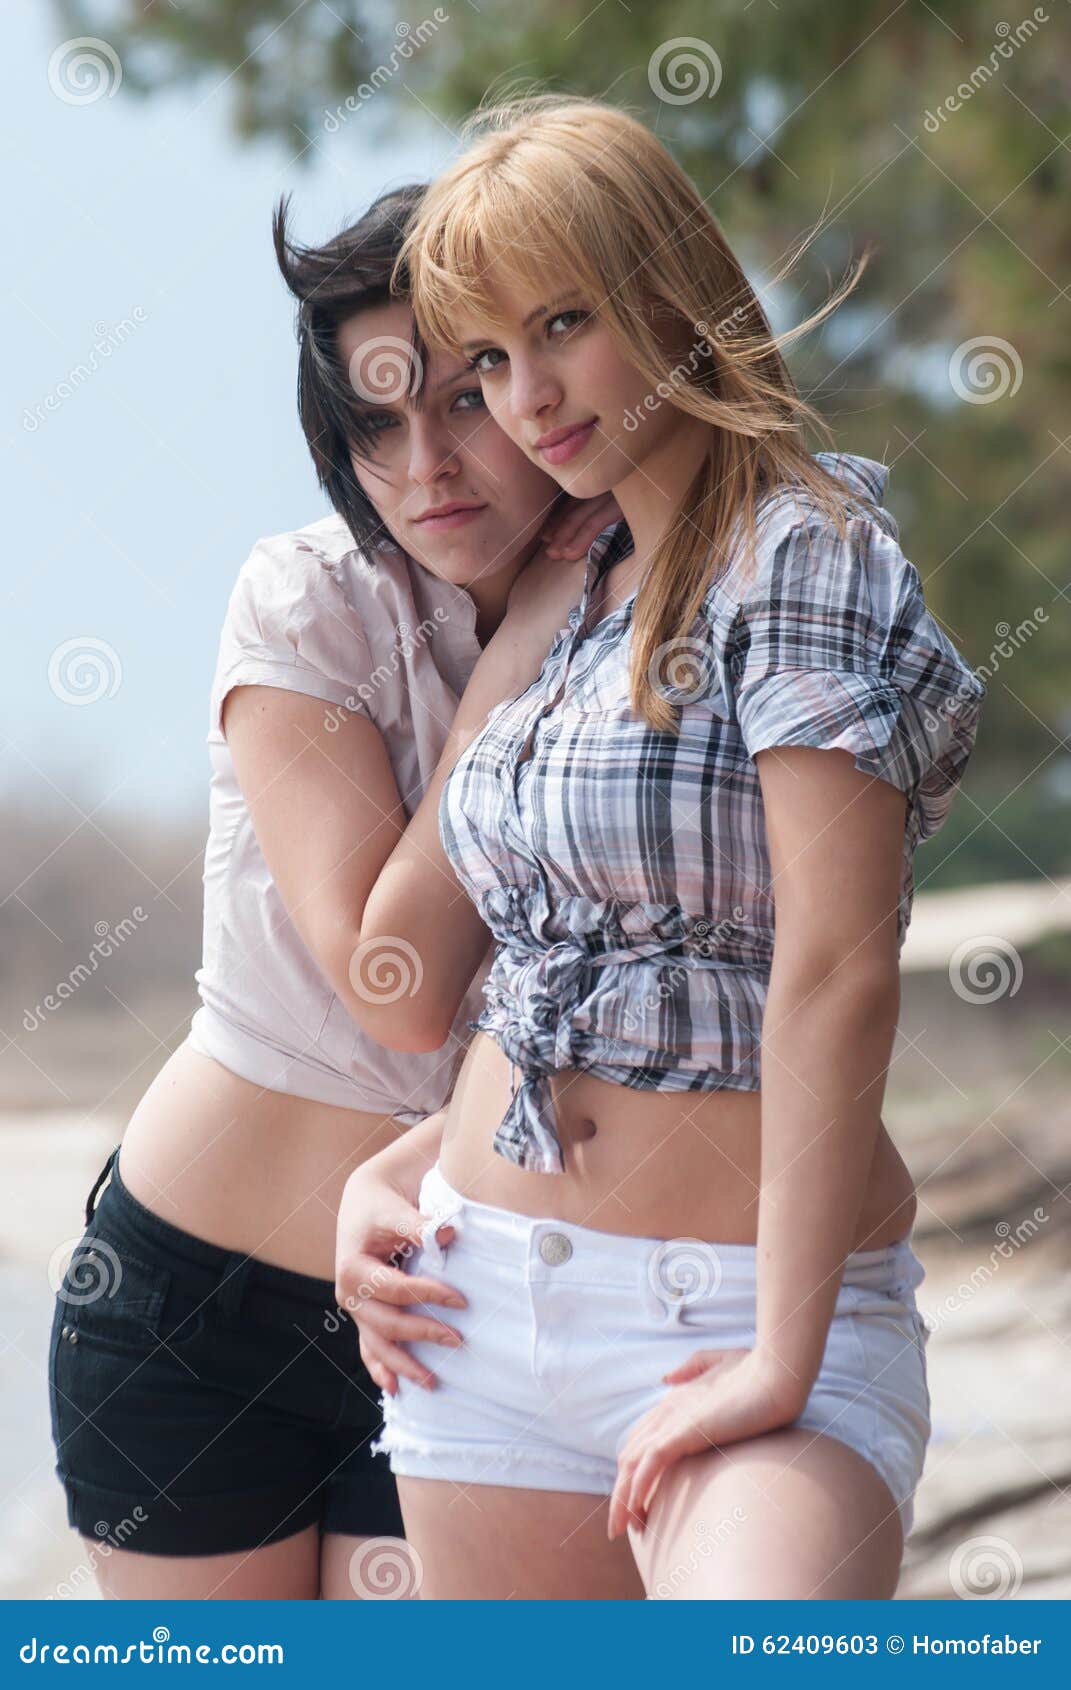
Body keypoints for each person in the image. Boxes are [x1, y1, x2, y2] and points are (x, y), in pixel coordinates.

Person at [333, 94, 987, 1601]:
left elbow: (830, 967)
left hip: (746, 1315)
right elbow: (588, 973)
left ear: (671, 289)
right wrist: (405, 1162)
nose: (527, 395)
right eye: (490, 358)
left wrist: (780, 1356)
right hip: (480, 1320)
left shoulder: (802, 549)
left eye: (564, 321)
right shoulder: (584, 601)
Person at [45, 180, 616, 1600]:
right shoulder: (308, 599)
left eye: (462, 396)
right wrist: (520, 650)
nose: (425, 462)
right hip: (191, 1312)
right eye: (374, 420)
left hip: (469, 1310)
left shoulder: (662, 616)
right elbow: (400, 985)